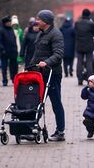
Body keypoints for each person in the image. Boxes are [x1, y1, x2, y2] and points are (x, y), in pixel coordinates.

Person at [31, 9, 66, 142]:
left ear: (45, 21)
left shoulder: (56, 35)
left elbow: (58, 54)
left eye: (38, 19)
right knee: (36, 102)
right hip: (39, 74)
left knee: (56, 102)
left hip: (52, 74)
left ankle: (60, 131)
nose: (36, 21)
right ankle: (31, 127)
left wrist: (46, 63)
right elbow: (37, 54)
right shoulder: (41, 34)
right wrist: (29, 67)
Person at [74, 8, 94, 85]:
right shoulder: (91, 24)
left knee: (79, 62)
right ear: (89, 15)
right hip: (89, 45)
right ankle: (89, 80)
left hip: (79, 45)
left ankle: (79, 79)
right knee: (89, 62)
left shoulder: (77, 23)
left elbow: (75, 32)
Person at [0, 15, 18, 86]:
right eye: (9, 22)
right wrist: (2, 49)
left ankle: (14, 79)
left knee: (14, 67)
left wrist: (16, 49)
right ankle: (5, 80)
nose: (10, 23)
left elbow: (14, 40)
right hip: (5, 52)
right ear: (5, 23)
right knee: (4, 67)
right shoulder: (1, 30)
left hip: (13, 51)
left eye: (10, 22)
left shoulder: (11, 29)